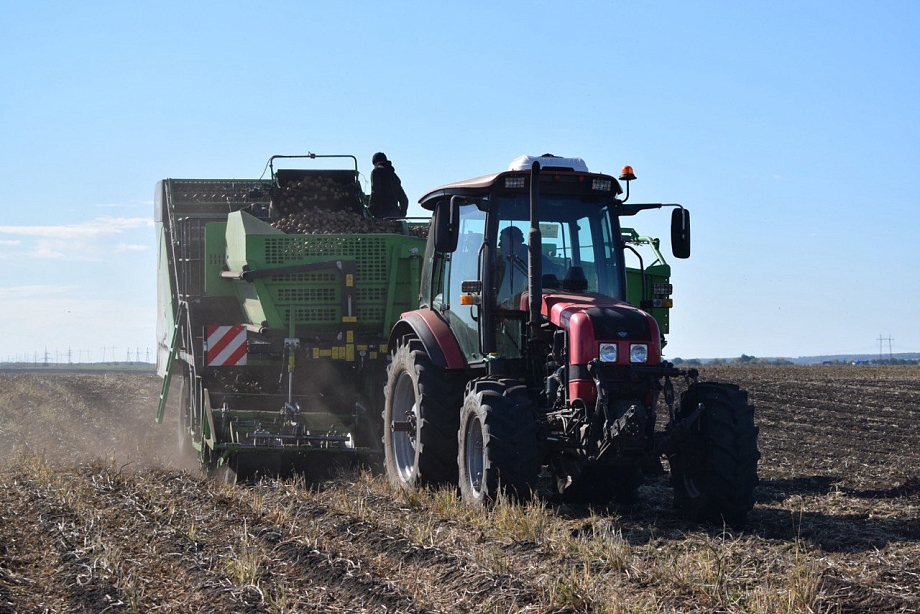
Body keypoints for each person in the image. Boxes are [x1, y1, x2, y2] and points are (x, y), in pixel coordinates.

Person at [368, 152, 409, 218]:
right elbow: (404, 199)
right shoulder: (394, 176)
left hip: (381, 216)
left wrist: (369, 212)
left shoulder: (376, 172)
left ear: (375, 163)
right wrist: (401, 214)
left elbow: (375, 192)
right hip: (395, 216)